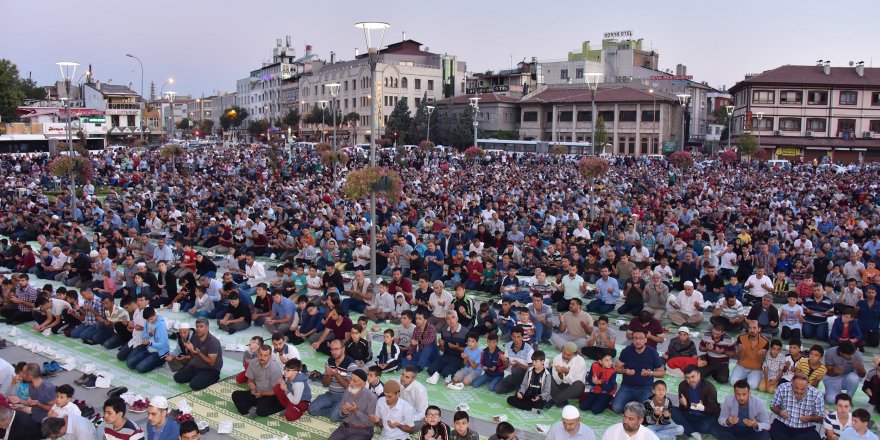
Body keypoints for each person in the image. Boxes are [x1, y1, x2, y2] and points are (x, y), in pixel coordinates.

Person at [612, 329, 664, 414]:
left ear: (646, 339)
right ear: (632, 340)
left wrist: (650, 373)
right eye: (635, 338)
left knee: (648, 411)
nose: (638, 341)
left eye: (641, 338)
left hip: (645, 387)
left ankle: (634, 402)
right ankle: (634, 401)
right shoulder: (627, 351)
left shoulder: (652, 352)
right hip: (627, 386)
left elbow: (661, 373)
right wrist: (625, 371)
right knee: (617, 408)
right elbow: (616, 367)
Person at [309, 339, 357, 421]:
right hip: (330, 394)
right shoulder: (329, 361)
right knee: (311, 410)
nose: (333, 352)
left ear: (343, 349)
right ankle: (335, 409)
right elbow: (325, 384)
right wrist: (328, 375)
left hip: (344, 396)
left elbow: (349, 388)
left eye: (336, 349)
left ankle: (338, 410)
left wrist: (335, 374)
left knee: (334, 418)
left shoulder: (351, 365)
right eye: (331, 349)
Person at [231, 344, 284, 418]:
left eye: (265, 355)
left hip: (270, 394)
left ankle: (282, 406)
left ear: (270, 356)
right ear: (257, 354)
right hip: (257, 392)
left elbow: (276, 390)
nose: (262, 357)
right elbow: (250, 379)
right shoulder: (252, 363)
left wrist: (263, 393)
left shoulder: (275, 369)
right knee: (235, 395)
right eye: (260, 354)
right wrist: (251, 384)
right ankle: (249, 409)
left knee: (262, 411)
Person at [769, 373, 824, 440]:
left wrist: (810, 418)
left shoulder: (817, 395)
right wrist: (780, 412)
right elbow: (773, 405)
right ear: (791, 382)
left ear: (808, 384)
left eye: (802, 389)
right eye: (796, 387)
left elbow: (820, 416)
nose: (799, 391)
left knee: (815, 438)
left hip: (805, 429)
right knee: (772, 433)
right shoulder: (782, 388)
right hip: (783, 425)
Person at [173, 318, 223, 390]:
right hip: (197, 365)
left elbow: (211, 363)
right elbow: (192, 356)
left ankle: (213, 377)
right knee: (177, 378)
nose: (198, 329)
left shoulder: (213, 342)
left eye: (201, 326)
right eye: (197, 327)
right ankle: (199, 376)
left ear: (207, 327)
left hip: (211, 369)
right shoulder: (195, 337)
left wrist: (199, 353)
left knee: (194, 385)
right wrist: (191, 350)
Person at [671, 365, 720, 440]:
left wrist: (702, 408)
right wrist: (685, 405)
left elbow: (714, 410)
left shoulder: (709, 387)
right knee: (671, 409)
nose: (690, 380)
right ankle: (693, 431)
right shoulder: (682, 386)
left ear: (699, 374)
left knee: (706, 427)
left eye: (693, 377)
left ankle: (686, 428)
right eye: (687, 378)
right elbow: (682, 409)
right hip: (689, 414)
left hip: (704, 417)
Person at [328, 369, 377, 440]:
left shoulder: (371, 398)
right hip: (345, 427)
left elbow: (370, 423)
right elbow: (341, 412)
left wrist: (356, 411)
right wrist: (343, 412)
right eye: (351, 379)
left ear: (363, 383)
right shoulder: (348, 391)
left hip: (362, 431)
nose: (351, 383)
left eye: (355, 381)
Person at [426, 311, 468, 384]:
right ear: (446, 320)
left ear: (457, 318)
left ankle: (449, 368)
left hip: (458, 358)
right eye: (448, 318)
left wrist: (457, 348)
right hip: (446, 355)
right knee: (430, 371)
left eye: (453, 317)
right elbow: (442, 349)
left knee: (445, 373)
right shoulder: (444, 330)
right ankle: (444, 367)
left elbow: (470, 350)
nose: (451, 320)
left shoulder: (465, 331)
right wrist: (441, 344)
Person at [729, 320, 770, 389]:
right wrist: (741, 350)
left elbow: (762, 362)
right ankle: (744, 378)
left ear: (759, 329)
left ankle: (746, 379)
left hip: (756, 369)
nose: (752, 330)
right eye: (750, 328)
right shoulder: (741, 338)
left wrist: (762, 354)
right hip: (741, 366)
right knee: (733, 382)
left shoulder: (765, 342)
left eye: (754, 328)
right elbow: (740, 357)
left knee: (753, 386)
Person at [494, 326, 534, 394]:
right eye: (514, 336)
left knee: (516, 368)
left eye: (518, 337)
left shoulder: (529, 349)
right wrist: (504, 360)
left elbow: (532, 369)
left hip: (526, 377)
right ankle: (517, 386)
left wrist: (519, 364)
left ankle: (521, 387)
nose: (516, 339)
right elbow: (506, 366)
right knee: (498, 389)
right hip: (513, 375)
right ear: (511, 336)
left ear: (522, 337)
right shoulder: (508, 346)